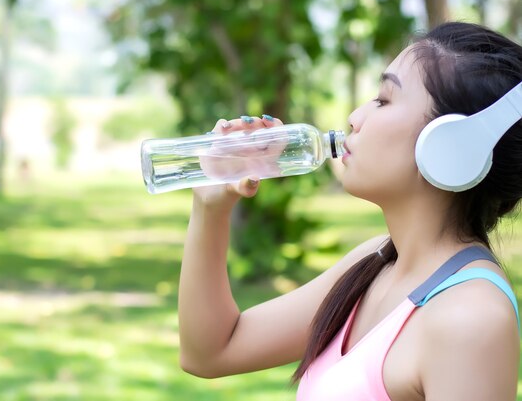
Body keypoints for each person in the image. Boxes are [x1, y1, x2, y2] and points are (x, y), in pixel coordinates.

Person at [177, 21, 522, 400]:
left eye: (384, 100)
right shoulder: (374, 264)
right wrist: (211, 207)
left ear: (451, 147)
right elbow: (210, 351)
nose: (355, 117)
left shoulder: (469, 319)